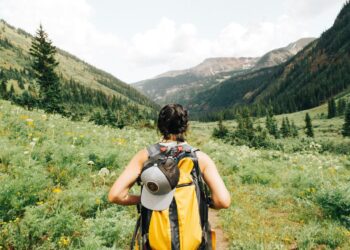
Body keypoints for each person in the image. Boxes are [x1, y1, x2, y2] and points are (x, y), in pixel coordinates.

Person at [108, 103, 231, 249]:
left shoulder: (145, 156)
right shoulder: (200, 158)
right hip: (193, 243)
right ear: (186, 127)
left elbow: (115, 195)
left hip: (156, 243)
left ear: (159, 126)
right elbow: (223, 201)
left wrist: (146, 199)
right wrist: (205, 201)